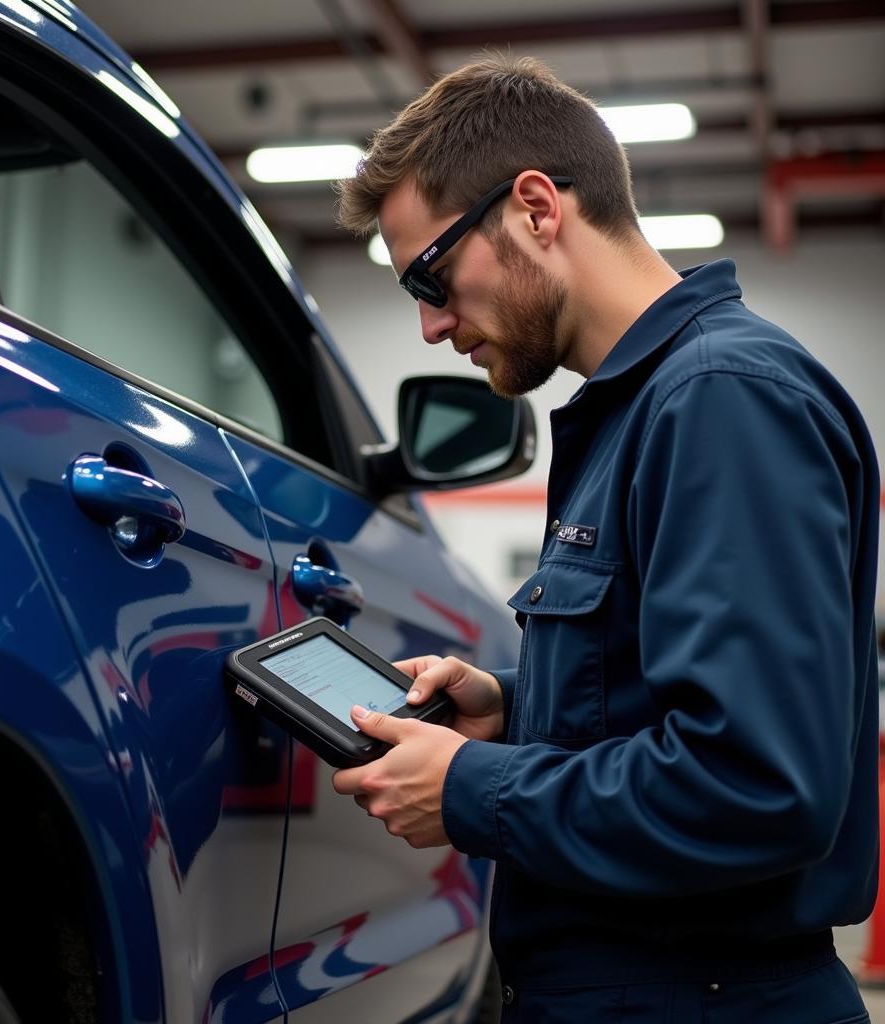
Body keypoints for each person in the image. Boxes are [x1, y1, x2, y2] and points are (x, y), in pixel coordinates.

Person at [331, 55, 880, 1022]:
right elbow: (660, 697)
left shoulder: (721, 401)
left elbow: (754, 783)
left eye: (432, 273)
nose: (428, 325)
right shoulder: (639, 411)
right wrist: (512, 705)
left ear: (537, 207)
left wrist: (475, 788)